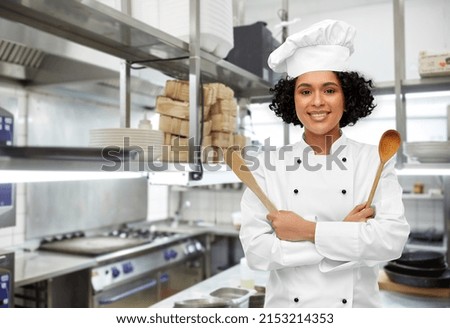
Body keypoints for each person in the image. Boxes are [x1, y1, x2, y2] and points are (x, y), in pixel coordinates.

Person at [239, 19, 410, 308]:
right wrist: (345, 234)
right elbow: (257, 253)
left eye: (329, 90)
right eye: (305, 91)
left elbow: (391, 242)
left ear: (347, 96)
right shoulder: (268, 165)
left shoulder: (375, 160)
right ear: (291, 99)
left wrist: (307, 231)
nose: (317, 102)